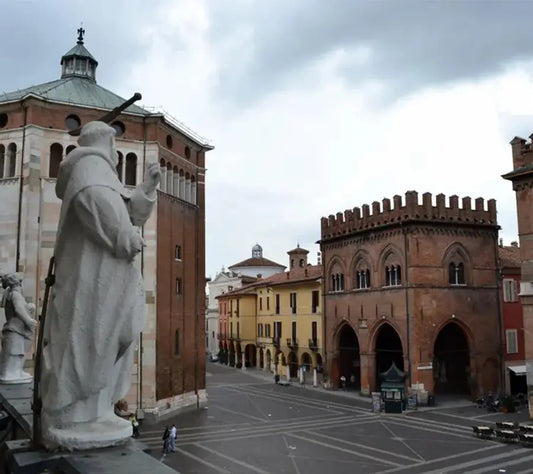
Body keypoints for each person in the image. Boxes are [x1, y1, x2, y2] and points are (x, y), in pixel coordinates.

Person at [40, 121, 161, 449]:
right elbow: (96, 205)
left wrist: (146, 190)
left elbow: (126, 214)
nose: (116, 153)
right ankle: (75, 414)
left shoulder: (100, 171)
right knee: (89, 339)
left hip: (109, 279)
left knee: (110, 339)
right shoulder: (88, 167)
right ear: (105, 143)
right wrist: (124, 239)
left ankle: (96, 409)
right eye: (114, 144)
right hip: (90, 279)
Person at [0, 274, 37, 383]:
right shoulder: (16, 294)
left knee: (17, 352)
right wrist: (28, 321)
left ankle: (16, 371)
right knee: (14, 352)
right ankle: (10, 373)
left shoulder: (9, 294)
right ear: (18, 284)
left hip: (16, 328)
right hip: (16, 328)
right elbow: (19, 309)